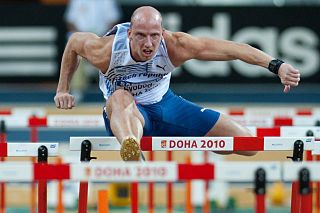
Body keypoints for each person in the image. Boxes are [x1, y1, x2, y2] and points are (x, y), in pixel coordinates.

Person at [54, 6, 300, 161]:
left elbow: (233, 49)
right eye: (140, 35)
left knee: (248, 144)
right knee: (119, 96)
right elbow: (74, 43)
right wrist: (63, 89)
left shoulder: (176, 45)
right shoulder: (106, 51)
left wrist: (276, 66)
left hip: (166, 106)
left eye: (154, 35)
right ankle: (132, 150)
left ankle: (194, 136)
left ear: (162, 32)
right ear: (130, 33)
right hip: (127, 114)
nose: (148, 44)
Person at [64, 0, 122, 101]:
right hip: (82, 36)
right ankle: (77, 90)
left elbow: (113, 21)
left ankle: (112, 90)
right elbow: (70, 21)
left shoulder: (108, 1)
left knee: (115, 47)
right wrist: (81, 38)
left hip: (102, 37)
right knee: (74, 50)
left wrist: (102, 39)